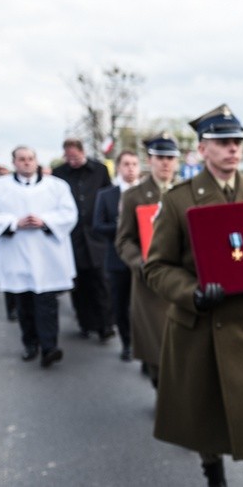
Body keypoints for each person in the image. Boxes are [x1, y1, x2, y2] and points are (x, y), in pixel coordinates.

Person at [144, 105, 243, 487]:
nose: (233, 150)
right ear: (202, 148)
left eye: (237, 142)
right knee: (204, 420)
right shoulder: (179, 200)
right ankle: (213, 475)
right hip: (200, 327)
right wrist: (192, 293)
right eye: (223, 142)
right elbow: (156, 267)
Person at [0, 146, 77, 367]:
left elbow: (69, 213)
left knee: (47, 303)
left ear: (36, 161)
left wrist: (45, 221)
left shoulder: (57, 187)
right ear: (14, 162)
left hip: (47, 256)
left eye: (31, 159)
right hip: (16, 255)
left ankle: (50, 347)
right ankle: (30, 344)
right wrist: (13, 223)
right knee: (24, 304)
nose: (27, 163)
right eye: (22, 159)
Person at [115, 134, 180, 384]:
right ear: (149, 160)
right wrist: (141, 264)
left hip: (182, 279)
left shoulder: (187, 191)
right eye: (160, 158)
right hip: (149, 283)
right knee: (156, 347)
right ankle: (160, 388)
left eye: (170, 158)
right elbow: (124, 240)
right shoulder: (134, 195)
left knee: (182, 348)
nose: (165, 163)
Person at [53, 138, 116, 341]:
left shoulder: (99, 170)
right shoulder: (59, 174)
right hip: (73, 238)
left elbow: (108, 196)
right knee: (79, 284)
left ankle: (106, 324)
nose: (71, 160)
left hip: (96, 235)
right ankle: (85, 322)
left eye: (75, 156)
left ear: (82, 152)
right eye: (68, 157)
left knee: (101, 281)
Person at [93, 150, 140, 361]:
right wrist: (121, 226)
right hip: (117, 259)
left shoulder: (146, 193)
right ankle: (127, 343)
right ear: (119, 167)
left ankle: (145, 346)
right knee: (121, 305)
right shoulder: (107, 195)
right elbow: (97, 226)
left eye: (134, 164)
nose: (130, 168)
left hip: (144, 259)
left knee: (143, 307)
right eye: (126, 164)